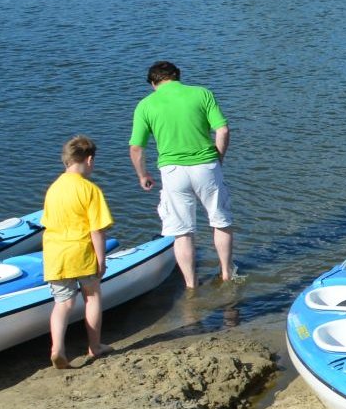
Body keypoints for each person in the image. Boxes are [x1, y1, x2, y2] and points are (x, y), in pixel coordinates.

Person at [129, 60, 235, 288]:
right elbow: (223, 129)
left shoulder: (145, 105)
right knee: (220, 221)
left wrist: (142, 174)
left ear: (153, 83)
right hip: (206, 166)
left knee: (182, 232)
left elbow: (137, 148)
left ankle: (191, 284)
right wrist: (219, 157)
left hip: (172, 171)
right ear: (177, 76)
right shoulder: (202, 94)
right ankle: (226, 273)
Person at [42, 135, 112, 369]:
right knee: (92, 296)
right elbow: (97, 230)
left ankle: (57, 348)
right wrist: (101, 259)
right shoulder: (90, 190)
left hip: (55, 255)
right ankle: (94, 346)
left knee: (63, 303)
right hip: (80, 253)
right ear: (89, 160)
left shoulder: (53, 189)